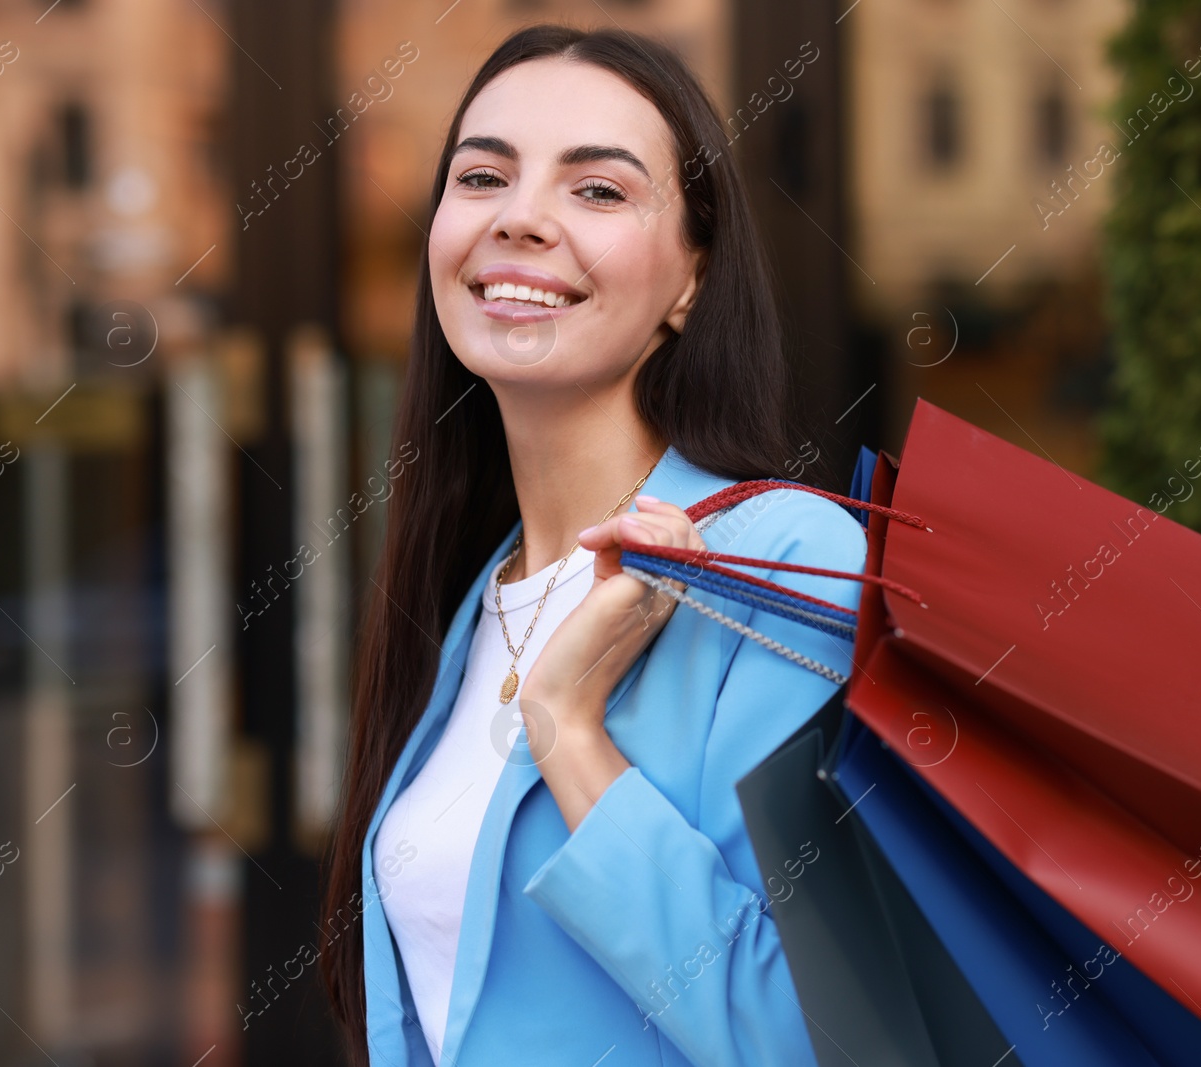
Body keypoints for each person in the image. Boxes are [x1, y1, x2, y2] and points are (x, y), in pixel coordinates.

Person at [317, 22, 866, 1067]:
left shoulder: (786, 565)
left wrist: (571, 733)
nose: (519, 218)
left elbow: (811, 1038)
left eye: (598, 190)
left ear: (691, 278)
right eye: (482, 177)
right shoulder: (471, 595)